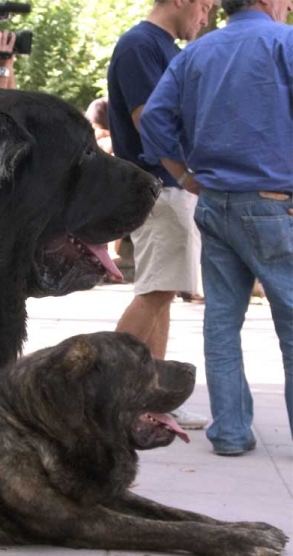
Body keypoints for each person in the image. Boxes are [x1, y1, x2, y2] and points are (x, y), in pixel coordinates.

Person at [140, 0, 293, 455]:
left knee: (222, 322)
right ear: (267, 0)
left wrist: (186, 177)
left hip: (214, 202)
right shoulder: (284, 42)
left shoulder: (195, 53)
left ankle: (229, 432)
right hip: (272, 204)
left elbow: (153, 119)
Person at [107, 0, 213, 430]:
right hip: (159, 184)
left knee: (162, 291)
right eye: (204, 6)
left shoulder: (163, 46)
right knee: (153, 293)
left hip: (167, 186)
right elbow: (149, 120)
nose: (205, 17)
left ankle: (153, 399)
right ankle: (105, 394)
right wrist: (184, 173)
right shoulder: (140, 44)